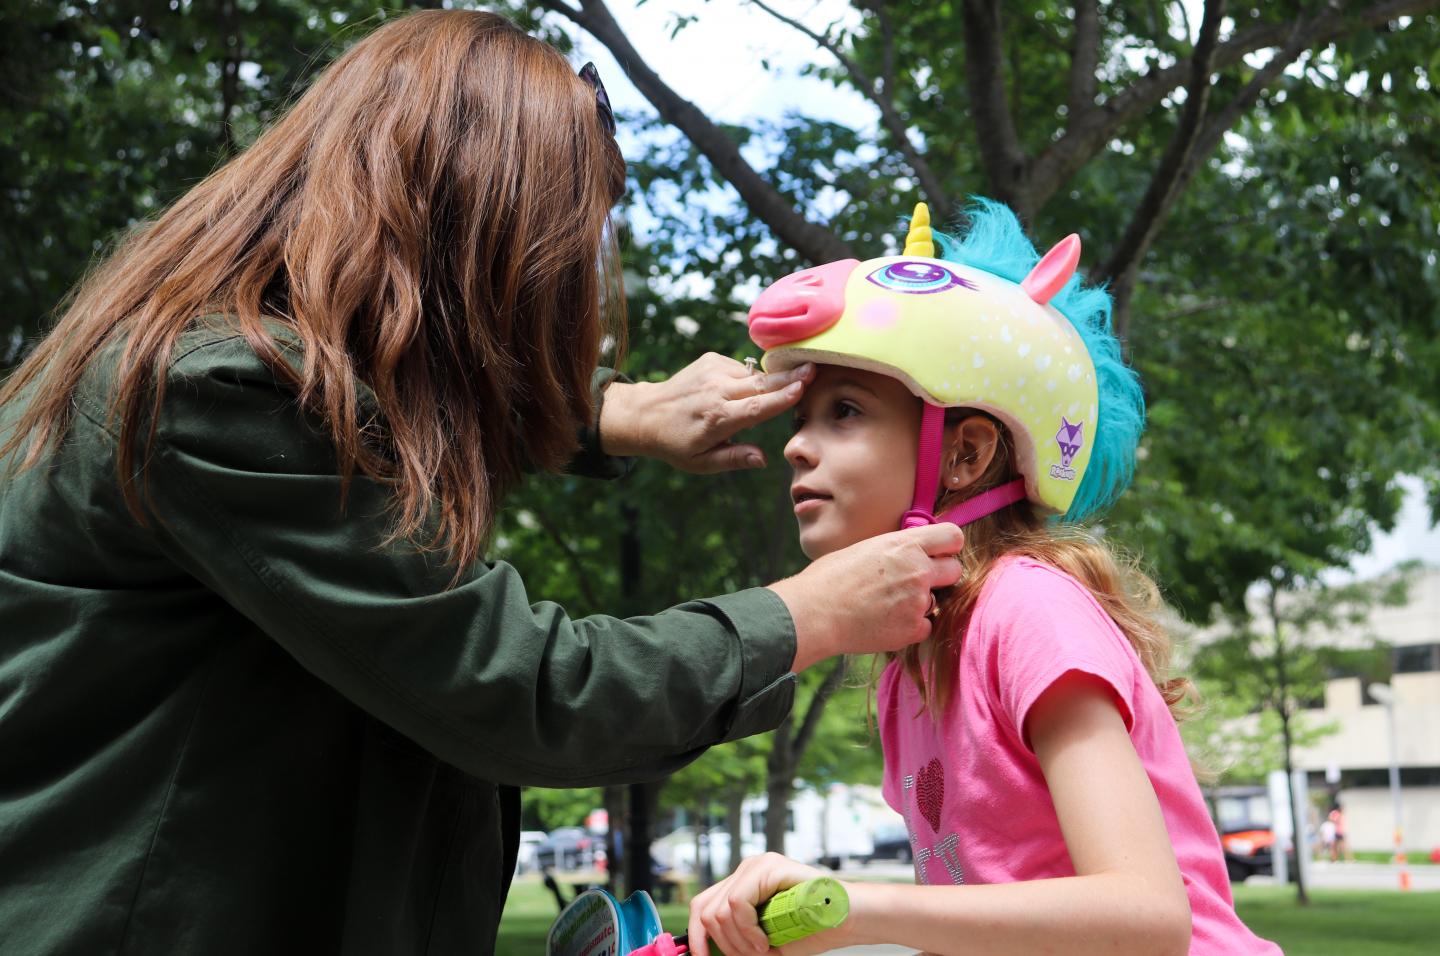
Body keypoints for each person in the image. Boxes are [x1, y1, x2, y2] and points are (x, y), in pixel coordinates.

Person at [0, 11, 967, 954]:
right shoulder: (223, 395)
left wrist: (609, 413)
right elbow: (524, 692)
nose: (579, 294)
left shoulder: (209, 356)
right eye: (564, 249)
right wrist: (804, 616)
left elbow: (399, 394)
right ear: (477, 236)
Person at [686, 200, 1282, 955]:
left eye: (844, 411)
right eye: (800, 419)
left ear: (965, 454)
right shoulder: (911, 666)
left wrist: (850, 908)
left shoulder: (1027, 609)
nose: (799, 447)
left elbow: (1147, 917)